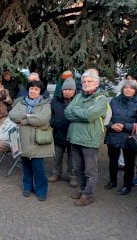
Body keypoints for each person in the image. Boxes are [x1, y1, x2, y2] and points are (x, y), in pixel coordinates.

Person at [64, 69, 108, 206]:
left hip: (89, 139)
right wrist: (83, 114)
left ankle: (88, 195)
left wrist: (78, 112)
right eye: (84, 81)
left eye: (89, 81)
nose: (86, 83)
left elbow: (90, 116)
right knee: (78, 168)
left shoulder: (101, 98)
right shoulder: (78, 97)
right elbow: (67, 113)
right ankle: (82, 190)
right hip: (74, 137)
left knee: (90, 170)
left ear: (96, 83)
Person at [9, 80, 53, 201]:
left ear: (40, 92)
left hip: (36, 142)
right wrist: (31, 117)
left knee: (38, 168)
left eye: (36, 89)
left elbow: (43, 119)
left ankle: (41, 191)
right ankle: (27, 187)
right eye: (31, 89)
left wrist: (25, 119)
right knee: (26, 166)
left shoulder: (45, 104)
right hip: (22, 140)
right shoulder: (21, 102)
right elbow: (12, 115)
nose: (33, 91)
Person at [103, 80, 137, 195]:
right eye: (126, 87)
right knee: (113, 161)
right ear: (122, 89)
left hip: (130, 137)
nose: (128, 90)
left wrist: (125, 126)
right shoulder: (114, 101)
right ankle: (113, 181)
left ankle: (127, 185)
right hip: (113, 135)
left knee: (129, 163)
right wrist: (112, 126)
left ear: (135, 90)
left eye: (131, 88)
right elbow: (106, 117)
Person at [48, 78, 77, 187]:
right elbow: (50, 114)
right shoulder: (55, 100)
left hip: (73, 134)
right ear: (62, 90)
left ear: (74, 90)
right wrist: (53, 122)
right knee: (56, 156)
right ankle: (55, 174)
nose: (68, 91)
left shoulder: (78, 100)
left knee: (73, 158)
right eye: (65, 89)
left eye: (70, 89)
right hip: (58, 133)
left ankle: (73, 176)